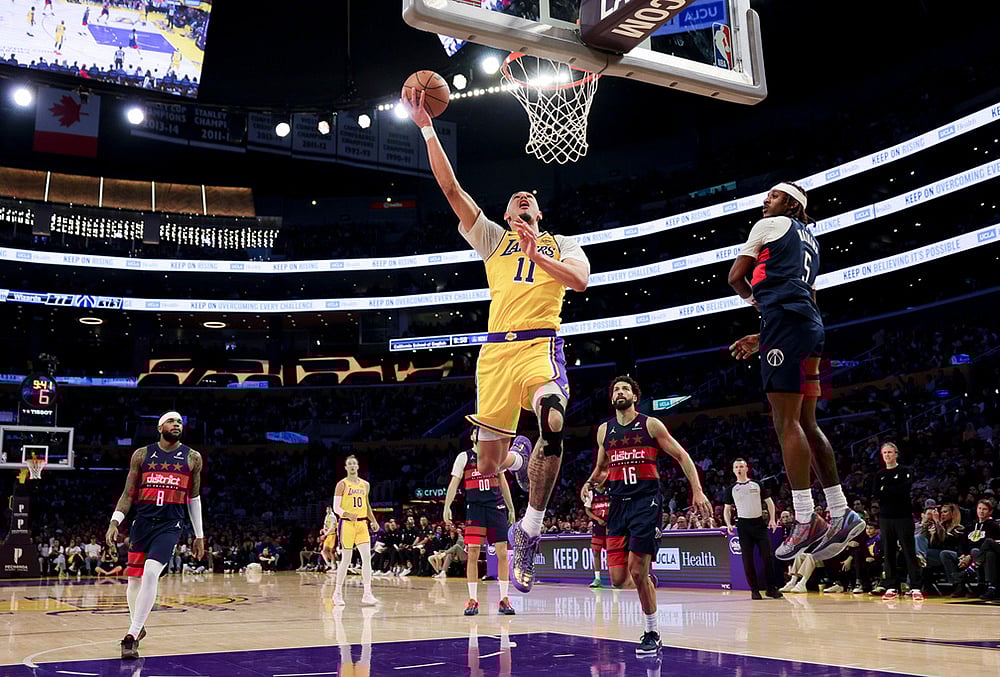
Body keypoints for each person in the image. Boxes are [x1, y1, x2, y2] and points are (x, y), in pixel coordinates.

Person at [405, 89, 591, 595]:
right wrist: (425, 126)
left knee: (554, 415)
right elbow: (451, 189)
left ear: (540, 214)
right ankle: (517, 452)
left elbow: (578, 282)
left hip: (538, 346)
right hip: (495, 355)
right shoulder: (492, 239)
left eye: (530, 198)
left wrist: (540, 253)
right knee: (488, 466)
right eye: (515, 198)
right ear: (507, 214)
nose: (523, 197)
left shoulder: (564, 244)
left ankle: (529, 528)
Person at [728, 182, 865, 561]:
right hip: (810, 327)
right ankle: (840, 511)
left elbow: (735, 277)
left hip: (785, 324)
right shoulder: (811, 241)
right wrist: (765, 332)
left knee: (785, 422)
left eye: (771, 196)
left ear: (789, 203)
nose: (764, 200)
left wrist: (757, 305)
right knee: (807, 421)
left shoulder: (769, 226)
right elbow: (807, 295)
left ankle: (805, 518)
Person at [582, 376, 712, 656]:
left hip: (646, 502)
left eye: (625, 388)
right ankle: (647, 583)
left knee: (638, 570)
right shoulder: (604, 430)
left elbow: (682, 455)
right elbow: (602, 469)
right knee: (617, 579)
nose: (620, 392)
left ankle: (652, 631)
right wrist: (589, 483)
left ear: (635, 396)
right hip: (617, 504)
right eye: (616, 389)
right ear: (611, 397)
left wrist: (697, 491)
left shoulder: (650, 424)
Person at [106, 411, 204, 660]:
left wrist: (199, 535)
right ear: (160, 427)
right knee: (134, 580)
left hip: (171, 524)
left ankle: (131, 635)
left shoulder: (193, 457)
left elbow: (194, 497)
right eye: (172, 421)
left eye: (180, 422)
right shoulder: (142, 454)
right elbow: (128, 494)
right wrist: (115, 521)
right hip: (142, 522)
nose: (177, 425)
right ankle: (138, 627)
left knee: (151, 572)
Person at [442, 433, 525, 616]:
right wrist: (447, 506)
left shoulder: (496, 455)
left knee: (503, 552)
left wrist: (511, 508)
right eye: (477, 430)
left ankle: (504, 599)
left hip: (496, 507)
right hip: (475, 509)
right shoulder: (464, 457)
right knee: (472, 552)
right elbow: (453, 483)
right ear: (472, 436)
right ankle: (472, 600)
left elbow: (503, 483)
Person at [723, 458, 781, 600]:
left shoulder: (756, 484)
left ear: (746, 468)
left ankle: (771, 589)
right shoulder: (731, 489)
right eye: (736, 467)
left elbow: (769, 503)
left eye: (741, 466)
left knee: (768, 556)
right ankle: (754, 590)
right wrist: (728, 523)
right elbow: (727, 509)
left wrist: (772, 519)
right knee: (747, 560)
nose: (739, 469)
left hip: (759, 524)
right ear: (733, 470)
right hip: (743, 526)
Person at [871, 442, 922, 602]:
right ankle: (891, 586)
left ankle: (915, 587)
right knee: (888, 551)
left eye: (890, 452)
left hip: (903, 517)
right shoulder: (879, 475)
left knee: (908, 551)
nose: (887, 455)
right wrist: (890, 490)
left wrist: (886, 489)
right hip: (886, 518)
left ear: (896, 454)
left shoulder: (905, 471)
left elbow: (903, 489)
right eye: (884, 453)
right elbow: (876, 493)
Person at [331, 455, 379, 607]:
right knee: (346, 559)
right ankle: (337, 593)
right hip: (347, 524)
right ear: (346, 467)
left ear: (358, 466)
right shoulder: (342, 484)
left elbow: (367, 504)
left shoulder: (365, 484)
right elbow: (336, 507)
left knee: (366, 557)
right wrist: (347, 514)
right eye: (349, 464)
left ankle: (367, 593)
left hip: (362, 524)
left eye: (354, 464)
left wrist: (373, 520)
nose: (352, 466)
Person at [583, 481, 610, 588]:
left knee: (611, 554)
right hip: (597, 527)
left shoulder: (610, 492)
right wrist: (597, 519)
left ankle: (614, 578)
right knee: (596, 553)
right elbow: (587, 511)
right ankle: (597, 578)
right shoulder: (591, 493)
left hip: (610, 526)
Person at [319, 505, 337, 572]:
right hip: (327, 536)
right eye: (327, 509)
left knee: (331, 551)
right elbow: (325, 525)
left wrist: (325, 534)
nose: (328, 510)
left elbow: (332, 527)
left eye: (329, 509)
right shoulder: (327, 516)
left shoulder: (333, 517)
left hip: (332, 535)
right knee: (324, 551)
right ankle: (329, 564)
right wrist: (323, 530)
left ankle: (334, 566)